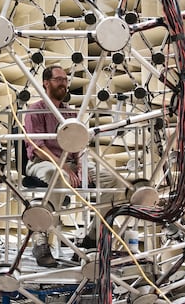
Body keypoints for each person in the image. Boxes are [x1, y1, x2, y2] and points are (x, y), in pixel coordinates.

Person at [23, 65, 120, 267]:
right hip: (42, 163)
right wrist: (63, 167)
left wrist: (81, 165)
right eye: (58, 79)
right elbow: (38, 147)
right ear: (46, 83)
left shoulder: (69, 113)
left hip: (70, 164)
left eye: (65, 80)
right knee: (57, 175)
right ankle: (41, 240)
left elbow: (79, 145)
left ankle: (93, 236)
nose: (63, 84)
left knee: (112, 180)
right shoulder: (35, 110)